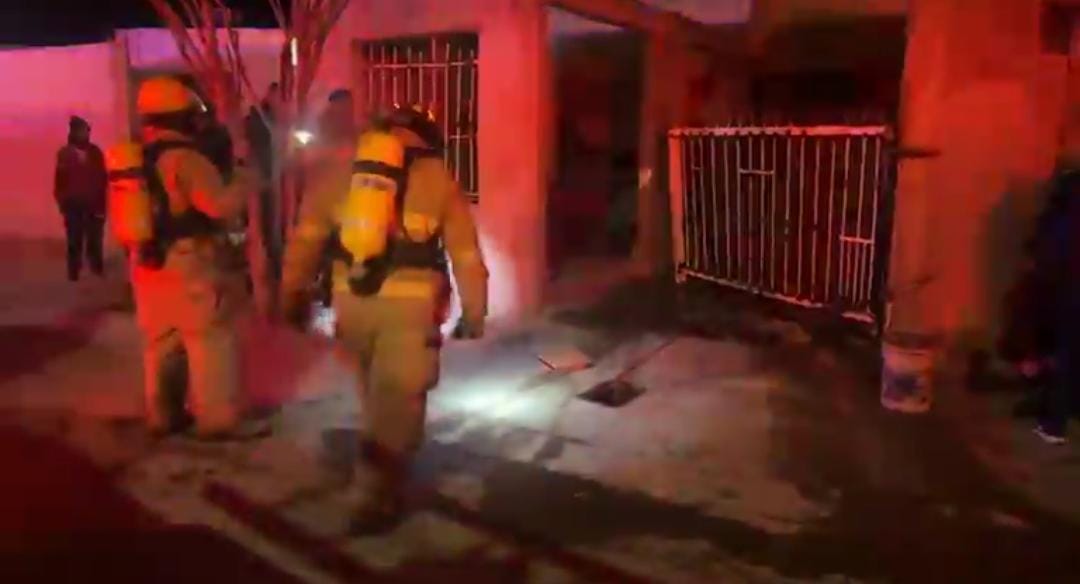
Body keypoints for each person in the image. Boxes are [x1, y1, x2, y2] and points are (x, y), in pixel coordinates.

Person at [279, 104, 488, 532]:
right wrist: (474, 310)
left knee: (374, 397)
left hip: (352, 306)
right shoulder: (437, 178)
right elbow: (465, 254)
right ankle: (371, 498)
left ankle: (379, 483)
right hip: (410, 314)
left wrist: (292, 295)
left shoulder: (338, 175)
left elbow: (305, 243)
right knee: (396, 411)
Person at [128, 76, 261, 439]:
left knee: (161, 344)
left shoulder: (136, 161)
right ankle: (217, 422)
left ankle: (163, 416)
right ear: (182, 117)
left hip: (148, 264)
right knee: (209, 341)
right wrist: (244, 178)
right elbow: (219, 206)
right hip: (190, 264)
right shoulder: (185, 159)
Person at [54, 116, 107, 281]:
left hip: (94, 202)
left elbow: (103, 179)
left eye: (86, 130)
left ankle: (96, 269)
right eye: (81, 130)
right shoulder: (64, 154)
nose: (84, 134)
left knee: (95, 238)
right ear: (73, 132)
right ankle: (73, 272)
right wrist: (62, 202)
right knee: (74, 240)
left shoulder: (96, 153)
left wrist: (102, 205)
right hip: (73, 204)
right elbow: (59, 181)